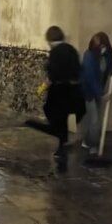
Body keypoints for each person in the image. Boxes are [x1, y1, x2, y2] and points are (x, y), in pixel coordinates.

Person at [25, 26, 85, 171]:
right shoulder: (71, 49)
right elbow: (78, 69)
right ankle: (61, 148)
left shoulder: (55, 53)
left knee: (55, 120)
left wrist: (41, 89)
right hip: (73, 90)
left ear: (49, 39)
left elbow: (52, 75)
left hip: (58, 91)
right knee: (67, 118)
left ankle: (34, 125)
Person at [81, 32, 112, 155]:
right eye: (100, 47)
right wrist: (101, 94)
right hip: (88, 92)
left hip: (98, 89)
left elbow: (111, 62)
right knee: (95, 121)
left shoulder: (107, 52)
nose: (103, 49)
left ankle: (87, 141)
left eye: (104, 46)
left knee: (94, 120)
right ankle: (93, 146)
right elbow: (90, 79)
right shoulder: (89, 57)